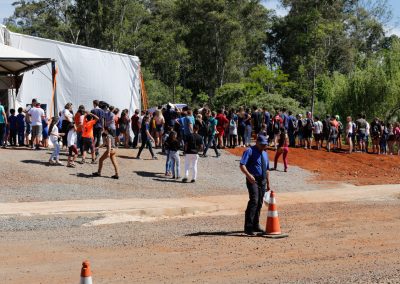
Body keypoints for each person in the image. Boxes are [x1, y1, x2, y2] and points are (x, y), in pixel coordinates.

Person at [239, 135, 270, 236]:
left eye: (265, 144)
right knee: (254, 201)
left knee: (260, 202)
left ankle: (256, 225)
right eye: (262, 144)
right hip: (253, 180)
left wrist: (268, 183)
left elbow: (267, 169)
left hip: (263, 181)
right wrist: (248, 175)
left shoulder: (265, 153)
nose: (263, 146)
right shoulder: (249, 151)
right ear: (257, 142)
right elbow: (242, 165)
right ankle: (248, 227)